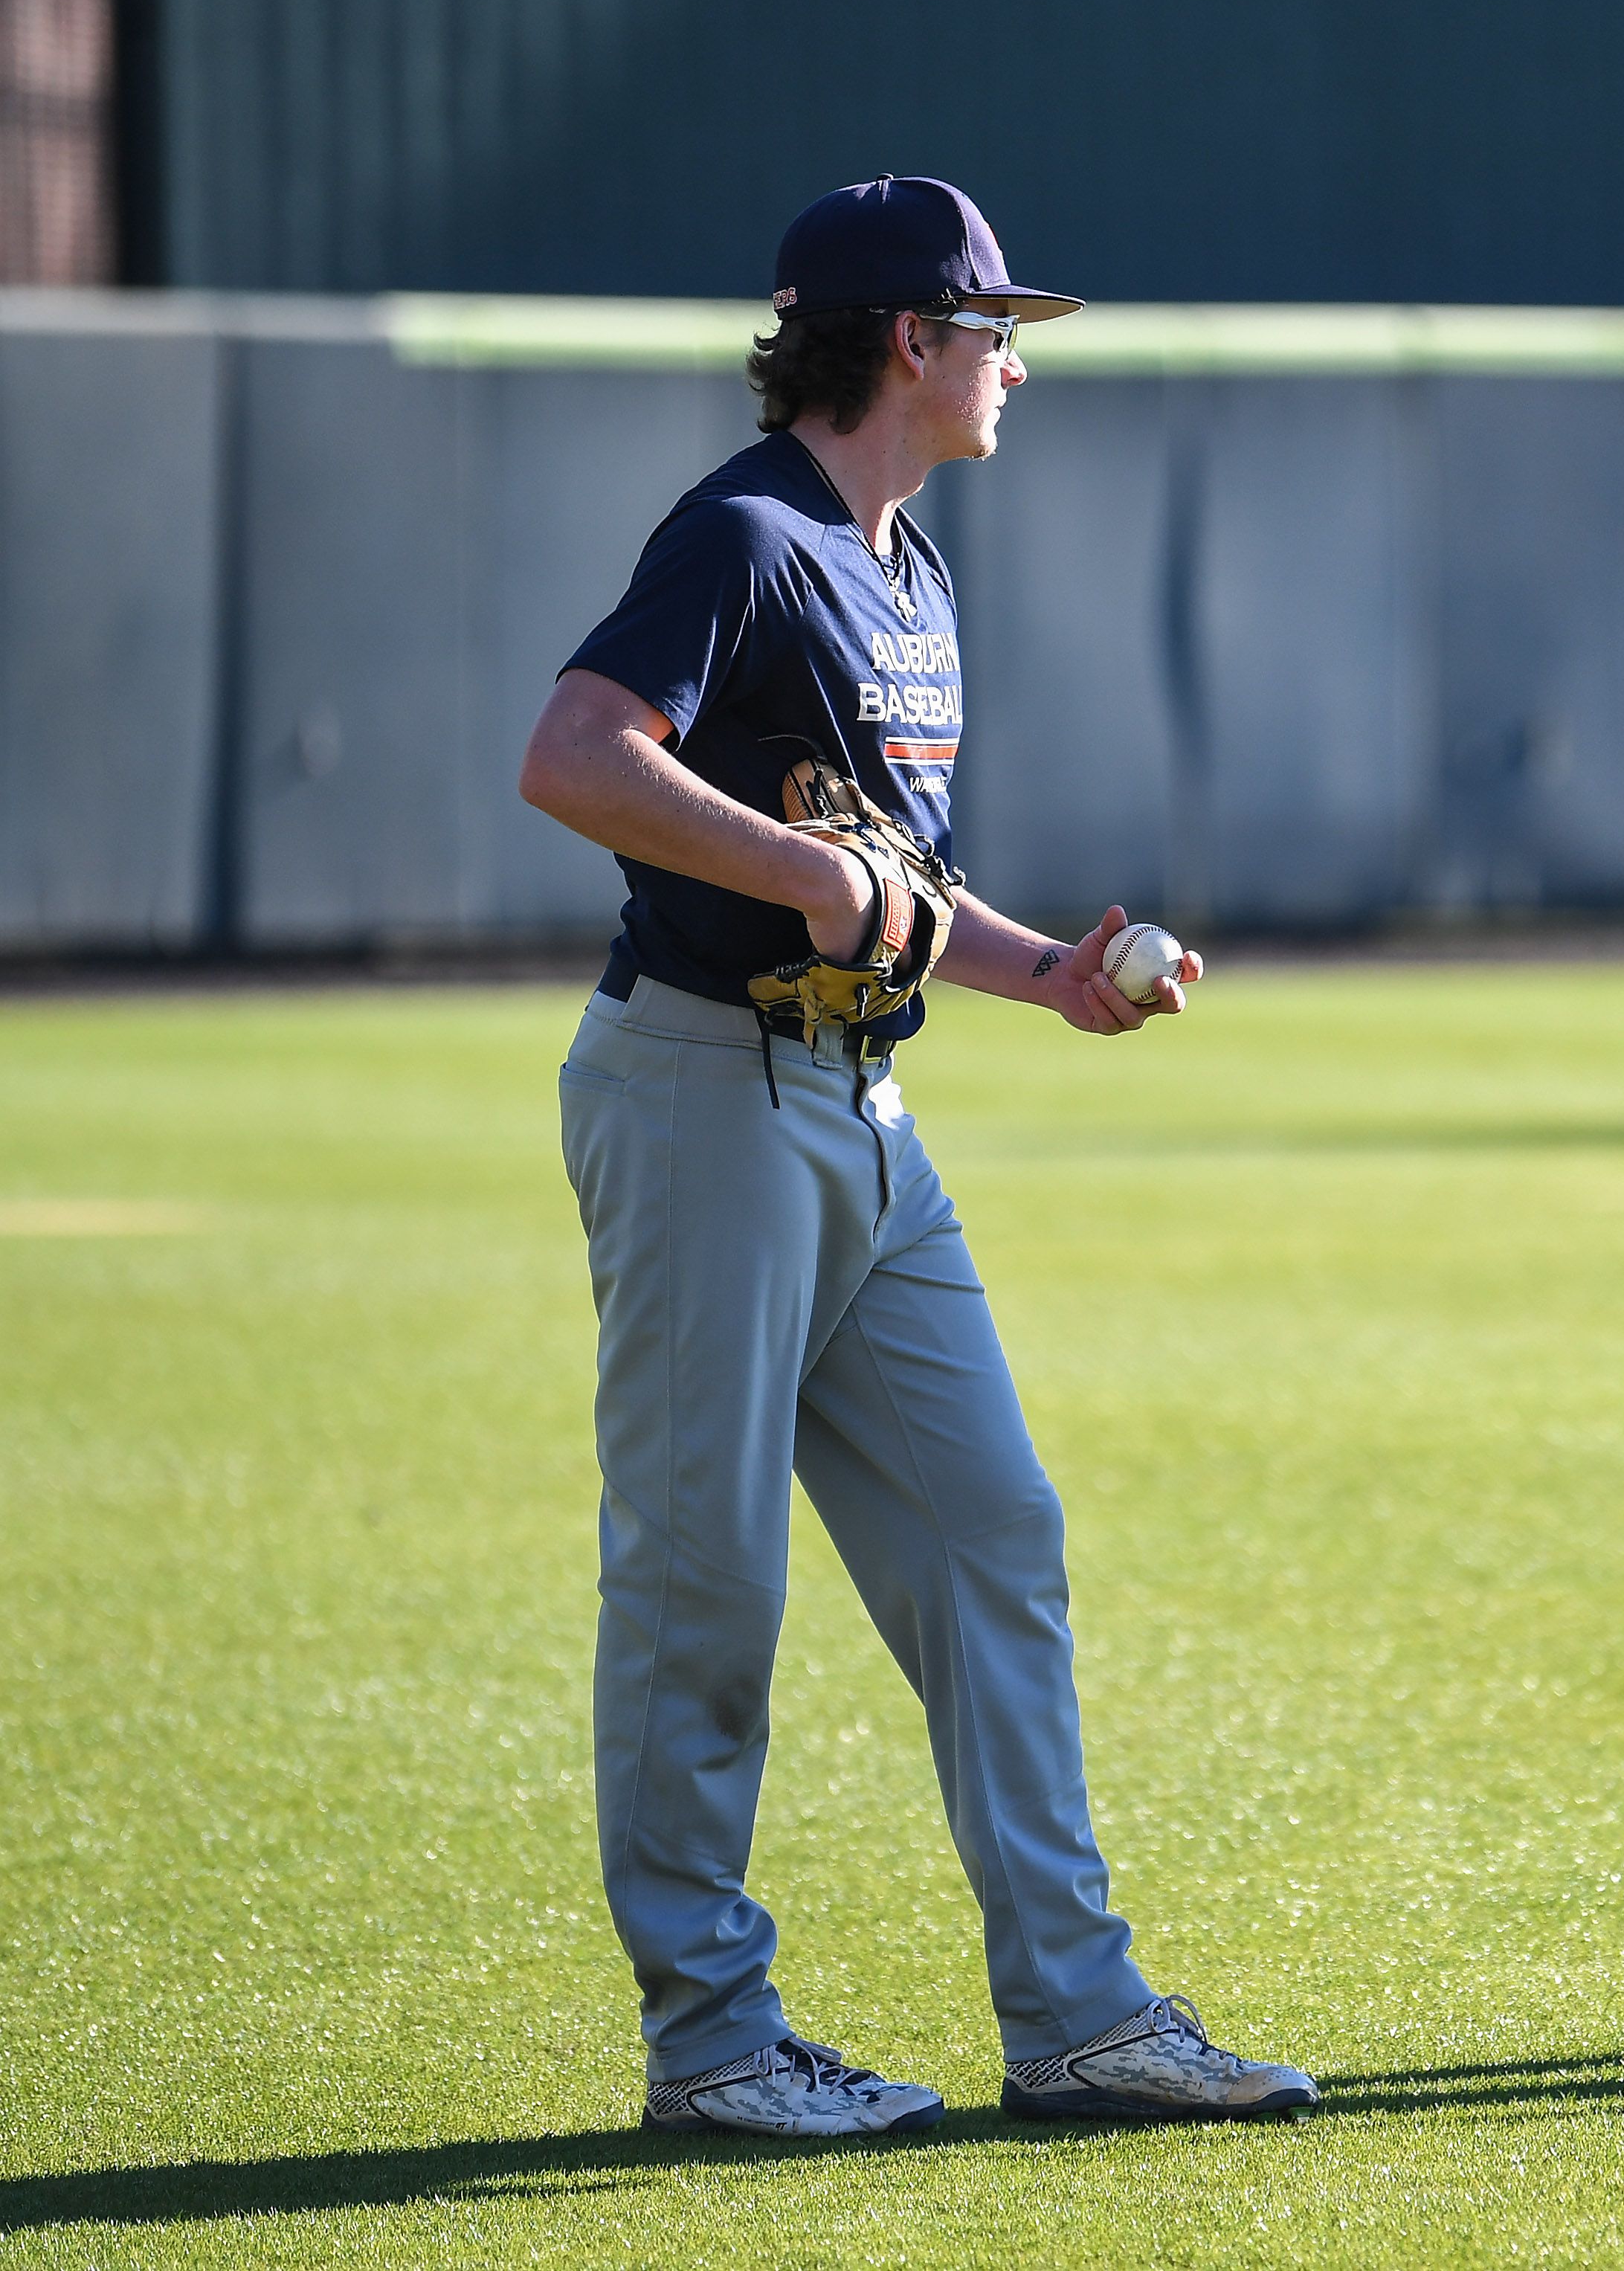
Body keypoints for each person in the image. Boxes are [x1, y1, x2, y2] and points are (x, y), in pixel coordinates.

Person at [518, 176, 1318, 2135]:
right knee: (707, 1584)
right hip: (707, 1092)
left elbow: (904, 891)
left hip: (867, 1114)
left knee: (994, 1537)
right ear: (906, 341)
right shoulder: (751, 530)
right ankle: (710, 2041)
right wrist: (801, 871)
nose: (1014, 362)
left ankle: (1078, 2015)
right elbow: (573, 752)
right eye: (992, 330)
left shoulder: (911, 571)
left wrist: (1054, 973)